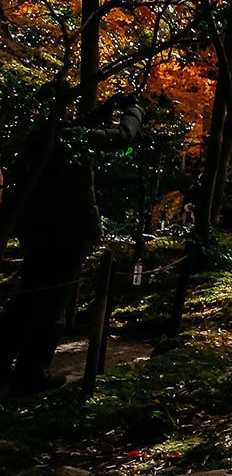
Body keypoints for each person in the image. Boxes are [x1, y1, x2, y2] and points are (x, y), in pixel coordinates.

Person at [0, 91, 144, 395]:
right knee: (53, 302)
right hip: (68, 230)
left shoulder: (38, 140)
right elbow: (121, 136)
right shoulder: (71, 141)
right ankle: (31, 372)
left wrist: (107, 106)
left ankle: (5, 363)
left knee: (28, 295)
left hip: (35, 230)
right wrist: (134, 110)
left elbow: (82, 126)